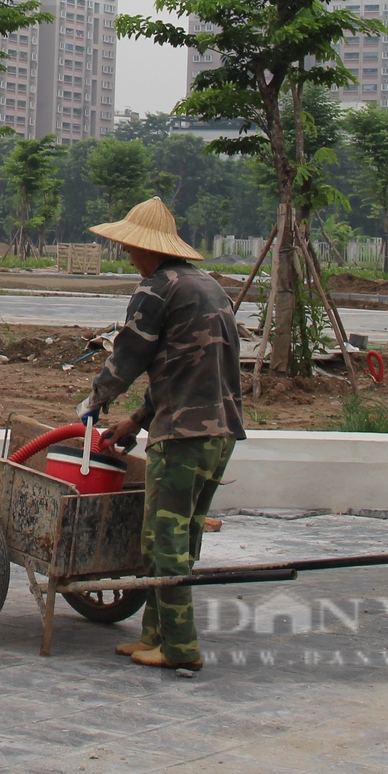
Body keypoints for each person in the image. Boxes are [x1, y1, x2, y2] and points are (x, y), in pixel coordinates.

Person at [78, 196, 245, 672]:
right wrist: (134, 422)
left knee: (164, 543)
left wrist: (95, 401)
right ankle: (153, 635)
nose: (127, 255)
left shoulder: (155, 289)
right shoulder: (208, 287)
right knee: (177, 538)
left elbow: (129, 357)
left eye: (129, 247)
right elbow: (188, 368)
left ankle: (180, 647)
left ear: (147, 248)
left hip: (185, 436)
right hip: (222, 432)